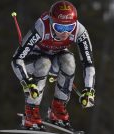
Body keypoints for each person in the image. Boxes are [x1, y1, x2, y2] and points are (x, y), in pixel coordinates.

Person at [11, 0, 95, 131]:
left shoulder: (80, 30)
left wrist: (89, 90)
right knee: (44, 63)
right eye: (59, 28)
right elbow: (17, 59)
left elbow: (88, 63)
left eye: (69, 28)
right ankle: (30, 114)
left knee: (69, 60)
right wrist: (26, 81)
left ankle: (57, 110)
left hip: (54, 59)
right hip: (31, 60)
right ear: (51, 22)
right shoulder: (42, 26)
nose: (65, 33)